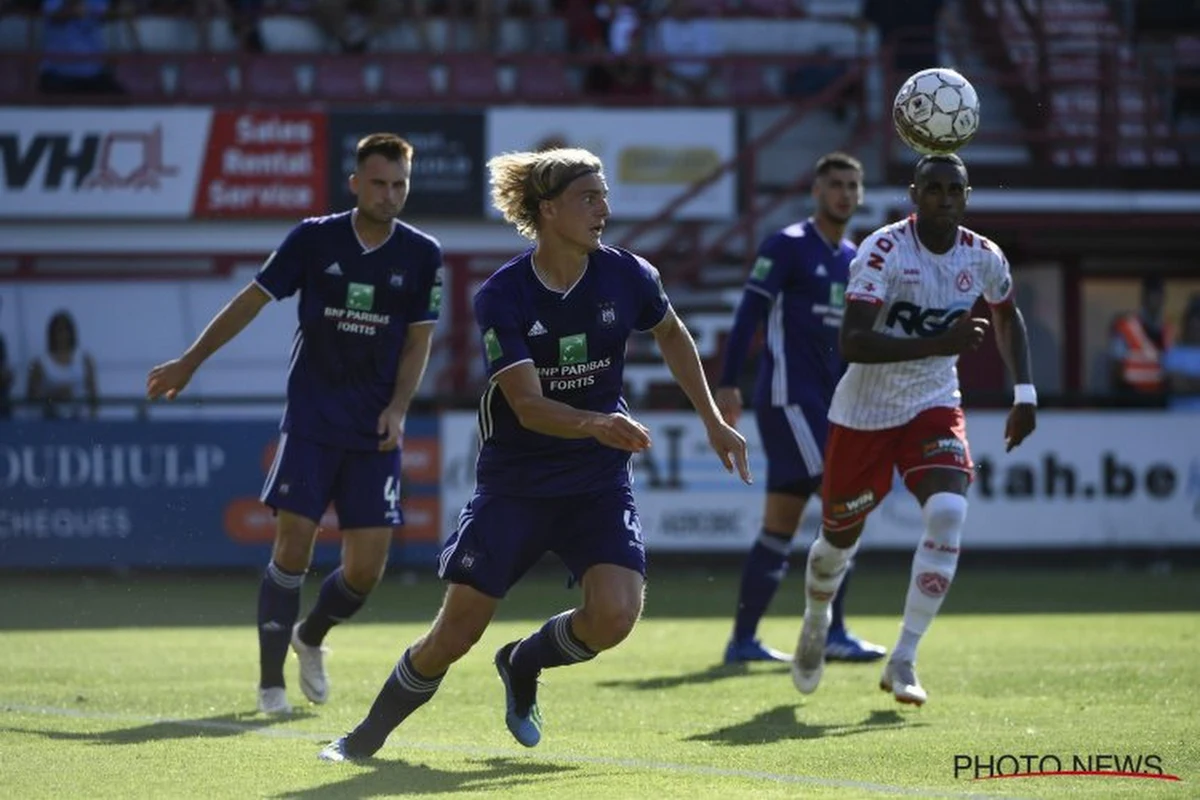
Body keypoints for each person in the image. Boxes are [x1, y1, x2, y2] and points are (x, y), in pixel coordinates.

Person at [318, 147, 751, 762]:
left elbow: (672, 333)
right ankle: (364, 738)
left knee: (615, 617)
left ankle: (522, 662)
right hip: (516, 483)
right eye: (590, 198)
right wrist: (599, 421)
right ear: (549, 211)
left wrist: (711, 419)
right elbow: (526, 404)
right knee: (455, 633)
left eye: (604, 195)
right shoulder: (504, 295)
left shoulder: (628, 274)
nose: (606, 209)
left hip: (596, 481)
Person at [146, 133, 443, 715]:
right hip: (312, 420)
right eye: (379, 183)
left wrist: (400, 406)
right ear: (355, 183)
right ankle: (269, 686)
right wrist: (190, 360)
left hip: (374, 431)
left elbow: (418, 342)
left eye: (400, 185)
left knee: (365, 572)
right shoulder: (313, 238)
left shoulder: (422, 253)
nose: (390, 194)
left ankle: (310, 636)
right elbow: (252, 300)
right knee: (293, 547)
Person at [791, 153, 1036, 706]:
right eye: (934, 189)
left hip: (933, 402)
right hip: (864, 411)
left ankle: (903, 657)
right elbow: (852, 342)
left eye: (955, 190)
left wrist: (1025, 391)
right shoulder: (883, 250)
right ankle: (815, 618)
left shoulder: (984, 256)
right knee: (835, 544)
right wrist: (940, 343)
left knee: (950, 512)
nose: (944, 199)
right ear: (914, 194)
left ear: (966, 197)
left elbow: (1006, 312)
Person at [715, 152, 886, 666]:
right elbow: (749, 314)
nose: (845, 194)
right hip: (790, 399)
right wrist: (727, 383)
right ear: (816, 191)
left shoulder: (855, 257)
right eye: (835, 184)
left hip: (831, 405)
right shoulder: (787, 246)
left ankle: (742, 641)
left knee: (780, 525)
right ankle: (833, 631)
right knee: (845, 500)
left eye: (853, 186)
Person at [27, 310, 98, 420]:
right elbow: (31, 397)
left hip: (82, 419)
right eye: (59, 331)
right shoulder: (40, 363)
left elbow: (94, 395)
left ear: (72, 333)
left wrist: (93, 417)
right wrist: (53, 396)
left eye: (66, 330)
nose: (62, 335)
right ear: (52, 334)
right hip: (50, 420)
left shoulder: (84, 360)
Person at [1109, 276, 1172, 398]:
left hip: (1159, 398)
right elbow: (1116, 367)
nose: (1156, 300)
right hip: (1130, 397)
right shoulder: (1126, 326)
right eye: (1152, 295)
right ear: (1144, 297)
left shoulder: (1167, 329)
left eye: (1159, 295)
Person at [1163, 293, 1200, 410]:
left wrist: (1186, 380)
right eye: (1193, 322)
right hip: (1177, 419)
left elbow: (1182, 383)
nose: (1196, 328)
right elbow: (1175, 384)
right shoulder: (1173, 353)